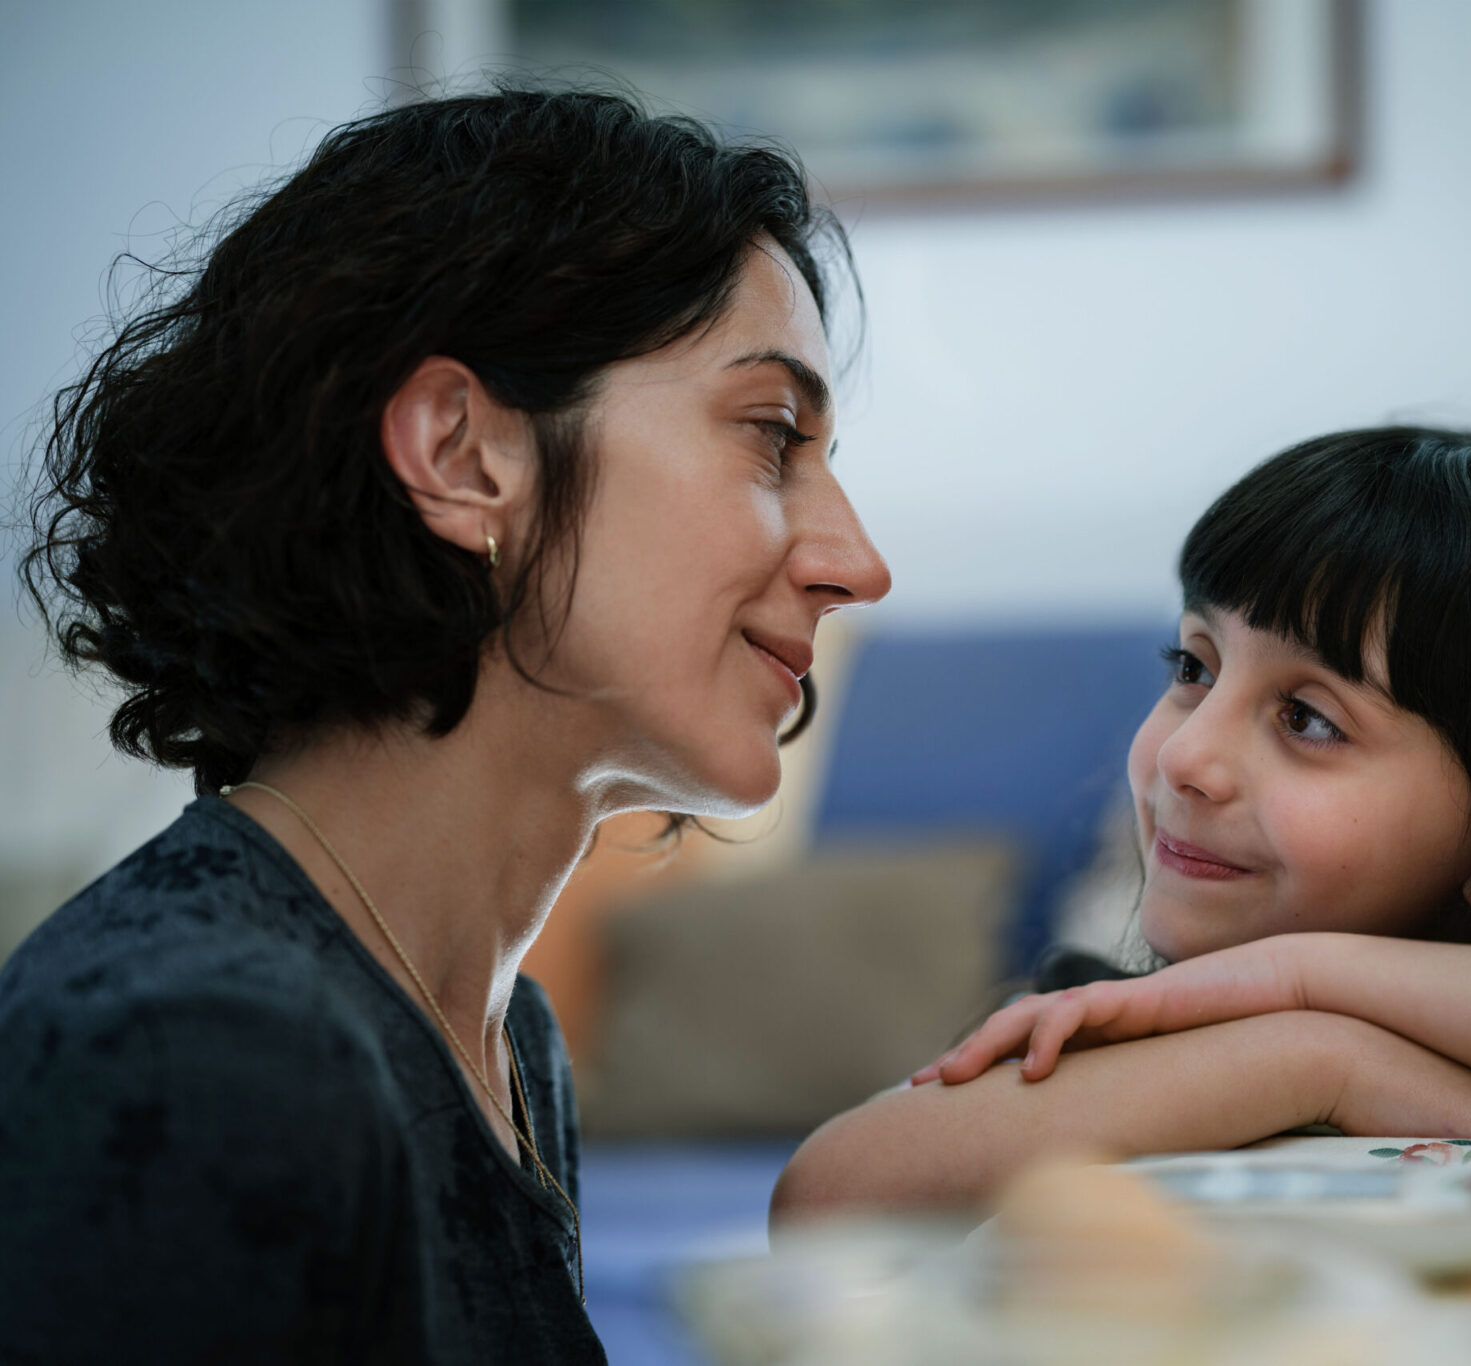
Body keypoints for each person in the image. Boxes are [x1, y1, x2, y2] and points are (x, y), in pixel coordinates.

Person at [3, 88, 888, 1362]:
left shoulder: (503, 1036)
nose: (858, 562)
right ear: (462, 454)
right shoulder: (198, 1050)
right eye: (770, 436)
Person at [772, 427, 1471, 1222]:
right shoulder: (1104, 1030)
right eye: (1191, 667)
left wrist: (1305, 974)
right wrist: (1313, 1056)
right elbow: (830, 1193)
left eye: (1307, 718)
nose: (1187, 755)